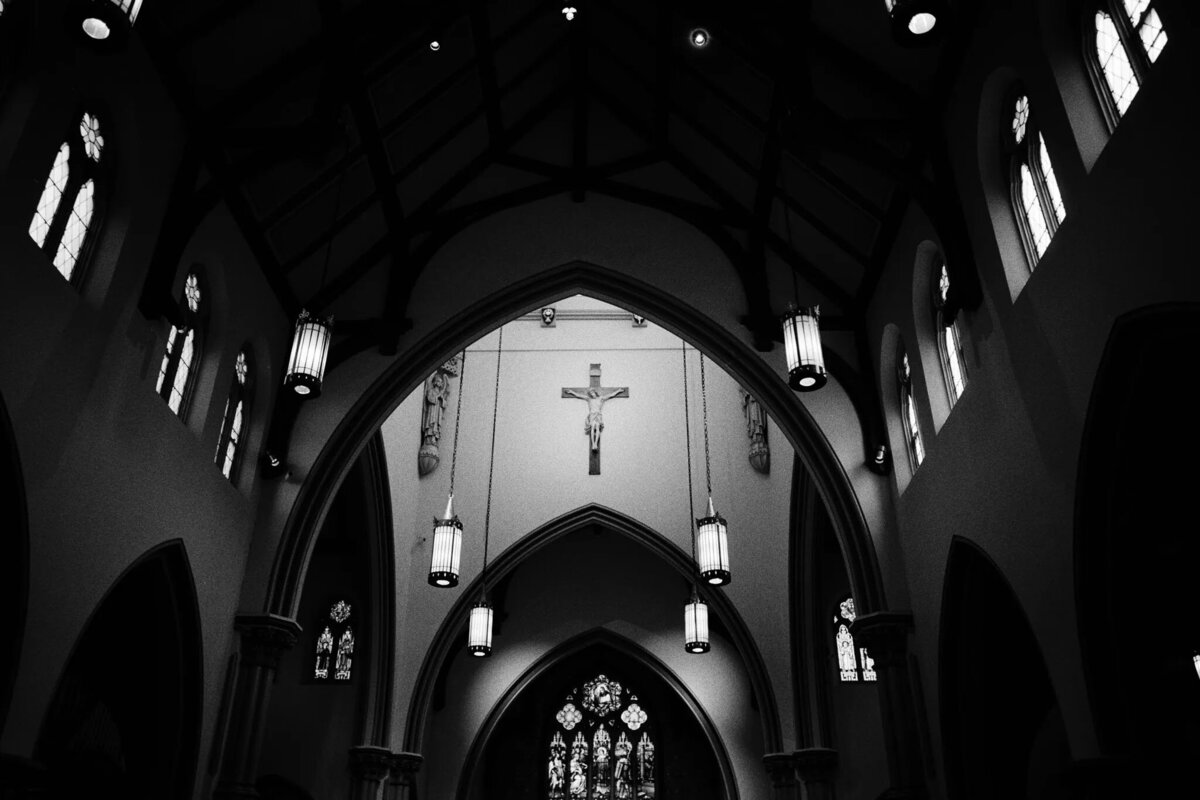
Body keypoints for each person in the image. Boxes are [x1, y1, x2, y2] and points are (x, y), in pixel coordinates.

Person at [563, 386, 625, 451]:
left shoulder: (601, 398)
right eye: (590, 393)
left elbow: (610, 395)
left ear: (595, 392)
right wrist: (571, 392)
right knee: (593, 427)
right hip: (592, 415)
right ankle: (593, 444)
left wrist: (618, 391)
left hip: (598, 415)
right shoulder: (589, 399)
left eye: (592, 392)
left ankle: (596, 443)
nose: (592, 394)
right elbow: (579, 396)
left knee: (597, 427)